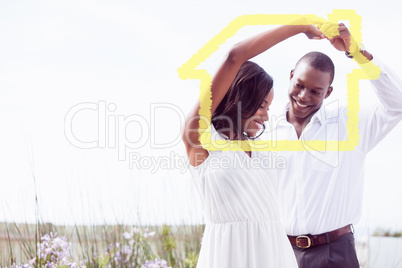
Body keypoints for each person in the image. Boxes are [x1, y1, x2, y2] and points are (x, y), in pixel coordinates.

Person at [182, 23, 326, 267]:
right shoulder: (201, 139)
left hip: (274, 253)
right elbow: (235, 55)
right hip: (228, 256)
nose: (266, 116)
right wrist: (301, 26)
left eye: (269, 107)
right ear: (239, 96)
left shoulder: (262, 149)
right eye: (261, 106)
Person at [265, 23, 402, 267]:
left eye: (315, 91)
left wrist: (358, 52)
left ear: (328, 93)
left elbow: (397, 103)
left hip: (335, 254)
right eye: (299, 85)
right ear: (290, 77)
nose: (304, 96)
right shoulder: (265, 133)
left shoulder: (350, 124)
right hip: (280, 253)